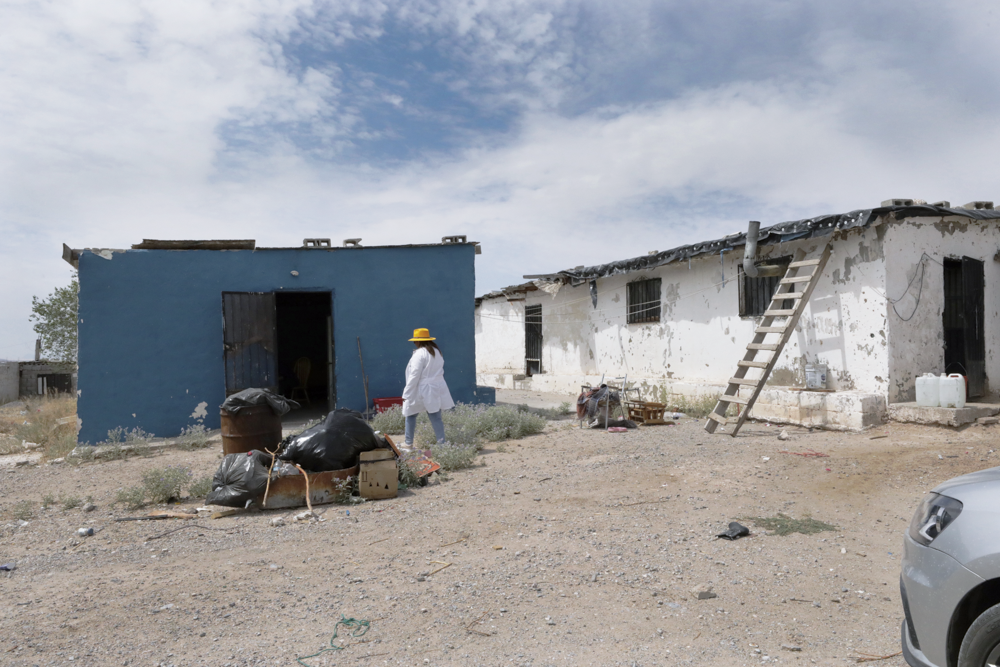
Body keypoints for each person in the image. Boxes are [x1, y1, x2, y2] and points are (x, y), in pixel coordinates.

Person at [401, 328, 455, 447]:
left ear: (418, 341)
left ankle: (408, 443)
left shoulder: (420, 354)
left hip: (421, 388)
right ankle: (442, 444)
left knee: (410, 414)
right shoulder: (436, 351)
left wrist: (407, 393)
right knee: (435, 416)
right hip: (436, 388)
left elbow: (415, 374)